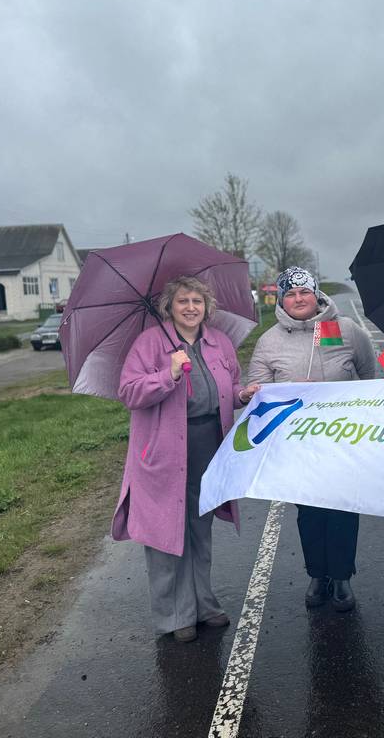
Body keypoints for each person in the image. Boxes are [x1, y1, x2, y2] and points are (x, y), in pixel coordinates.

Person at [115, 276, 259, 643]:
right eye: (183, 301)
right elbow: (129, 392)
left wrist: (242, 395)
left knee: (200, 529)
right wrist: (169, 373)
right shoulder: (150, 344)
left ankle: (203, 604)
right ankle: (176, 615)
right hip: (163, 453)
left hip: (208, 445)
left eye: (197, 301)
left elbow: (228, 386)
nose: (191, 307)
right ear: (169, 306)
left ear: (207, 306)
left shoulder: (219, 342)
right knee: (166, 532)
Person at [246, 266, 376, 611]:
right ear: (281, 300)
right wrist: (271, 392)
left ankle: (342, 576)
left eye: (304, 291)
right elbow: (259, 391)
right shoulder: (269, 341)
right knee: (310, 511)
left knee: (342, 508)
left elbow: (369, 375)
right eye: (290, 293)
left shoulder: (345, 330)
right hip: (298, 445)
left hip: (343, 439)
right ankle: (318, 574)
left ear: (316, 294)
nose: (298, 298)